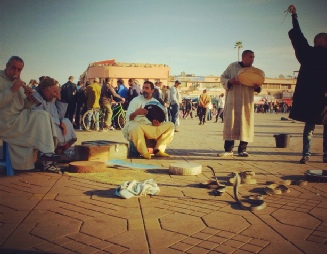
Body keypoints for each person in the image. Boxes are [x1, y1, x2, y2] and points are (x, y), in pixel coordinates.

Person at [0, 56, 60, 171]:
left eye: (19, 70)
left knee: (43, 115)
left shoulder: (17, 82)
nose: (16, 72)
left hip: (18, 118)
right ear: (7, 66)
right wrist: (12, 90)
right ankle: (45, 153)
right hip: (5, 121)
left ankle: (46, 152)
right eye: (14, 68)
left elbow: (24, 106)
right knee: (41, 116)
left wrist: (29, 99)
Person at [287, 4, 327, 164]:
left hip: (310, 97)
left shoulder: (307, 53)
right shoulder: (309, 53)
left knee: (309, 127)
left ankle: (306, 155)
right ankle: (325, 155)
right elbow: (299, 36)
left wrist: (294, 17)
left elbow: (298, 36)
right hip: (323, 97)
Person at [219, 50, 262, 157]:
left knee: (245, 123)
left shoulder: (254, 71)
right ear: (243, 58)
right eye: (250, 57)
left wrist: (257, 87)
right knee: (231, 124)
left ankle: (242, 149)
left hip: (246, 103)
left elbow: (259, 86)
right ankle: (228, 149)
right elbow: (222, 78)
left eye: (253, 57)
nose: (252, 59)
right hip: (232, 101)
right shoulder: (232, 67)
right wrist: (231, 81)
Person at [33, 77, 77, 171]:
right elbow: (41, 116)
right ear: (46, 90)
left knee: (67, 123)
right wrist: (59, 123)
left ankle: (57, 155)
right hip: (38, 126)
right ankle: (46, 162)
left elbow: (58, 115)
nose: (55, 95)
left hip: (51, 123)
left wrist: (60, 99)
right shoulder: (36, 97)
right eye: (54, 92)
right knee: (55, 129)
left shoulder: (50, 99)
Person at [122, 81, 175, 159]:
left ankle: (158, 150)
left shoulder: (156, 102)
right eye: (143, 88)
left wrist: (157, 124)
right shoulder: (135, 100)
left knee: (171, 125)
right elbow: (129, 117)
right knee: (136, 127)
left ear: (152, 90)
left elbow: (160, 118)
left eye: (147, 88)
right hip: (137, 126)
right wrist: (136, 112)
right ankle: (144, 152)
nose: (144, 90)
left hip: (150, 127)